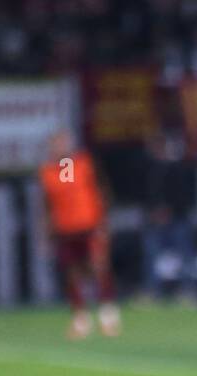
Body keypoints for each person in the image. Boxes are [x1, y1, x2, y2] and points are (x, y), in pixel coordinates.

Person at [38, 130, 120, 340]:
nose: (60, 148)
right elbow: (46, 205)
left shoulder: (84, 164)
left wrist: (103, 222)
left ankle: (107, 315)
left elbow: (101, 190)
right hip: (65, 230)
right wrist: (46, 232)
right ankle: (80, 318)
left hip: (89, 227)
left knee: (98, 266)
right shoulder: (47, 172)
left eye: (63, 143)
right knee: (72, 273)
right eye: (56, 144)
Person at [141, 131, 197, 302]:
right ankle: (151, 291)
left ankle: (189, 290)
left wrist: (170, 210)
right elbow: (146, 194)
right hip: (154, 220)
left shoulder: (179, 166)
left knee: (185, 254)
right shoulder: (149, 168)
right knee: (150, 254)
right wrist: (153, 211)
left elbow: (186, 194)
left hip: (178, 218)